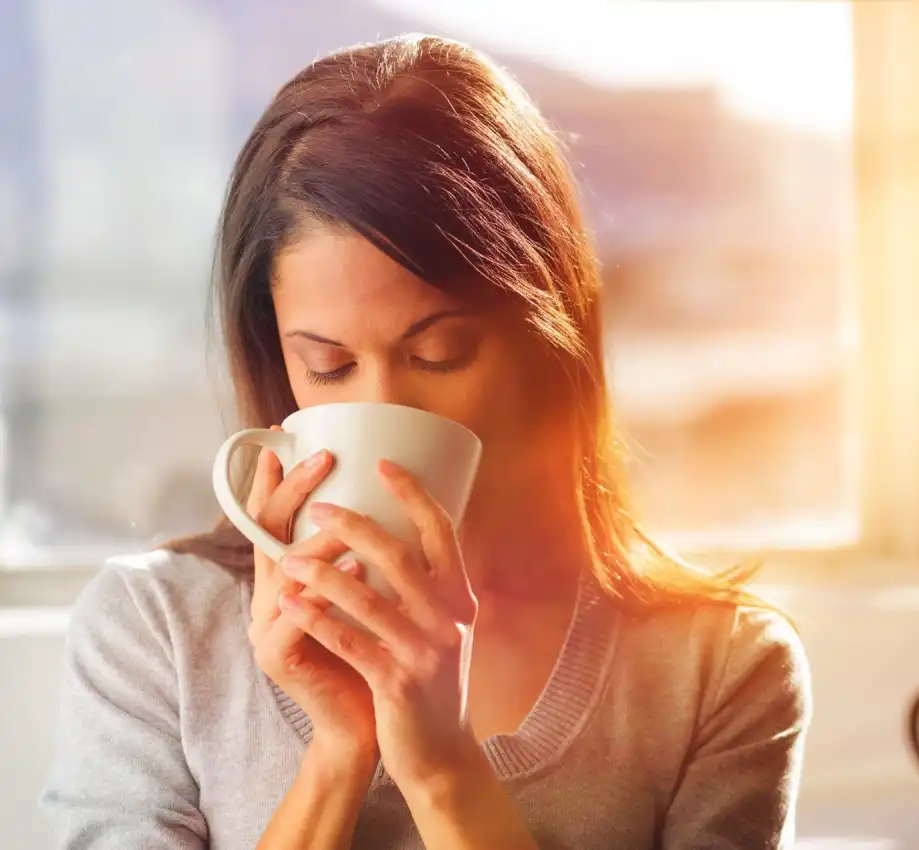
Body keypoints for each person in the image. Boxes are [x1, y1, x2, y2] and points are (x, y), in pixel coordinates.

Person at [41, 34, 811, 849]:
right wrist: (339, 756)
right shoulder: (155, 632)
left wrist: (444, 773)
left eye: (438, 354)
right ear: (277, 360)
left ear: (543, 338)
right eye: (329, 365)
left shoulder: (720, 669)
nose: (383, 411)